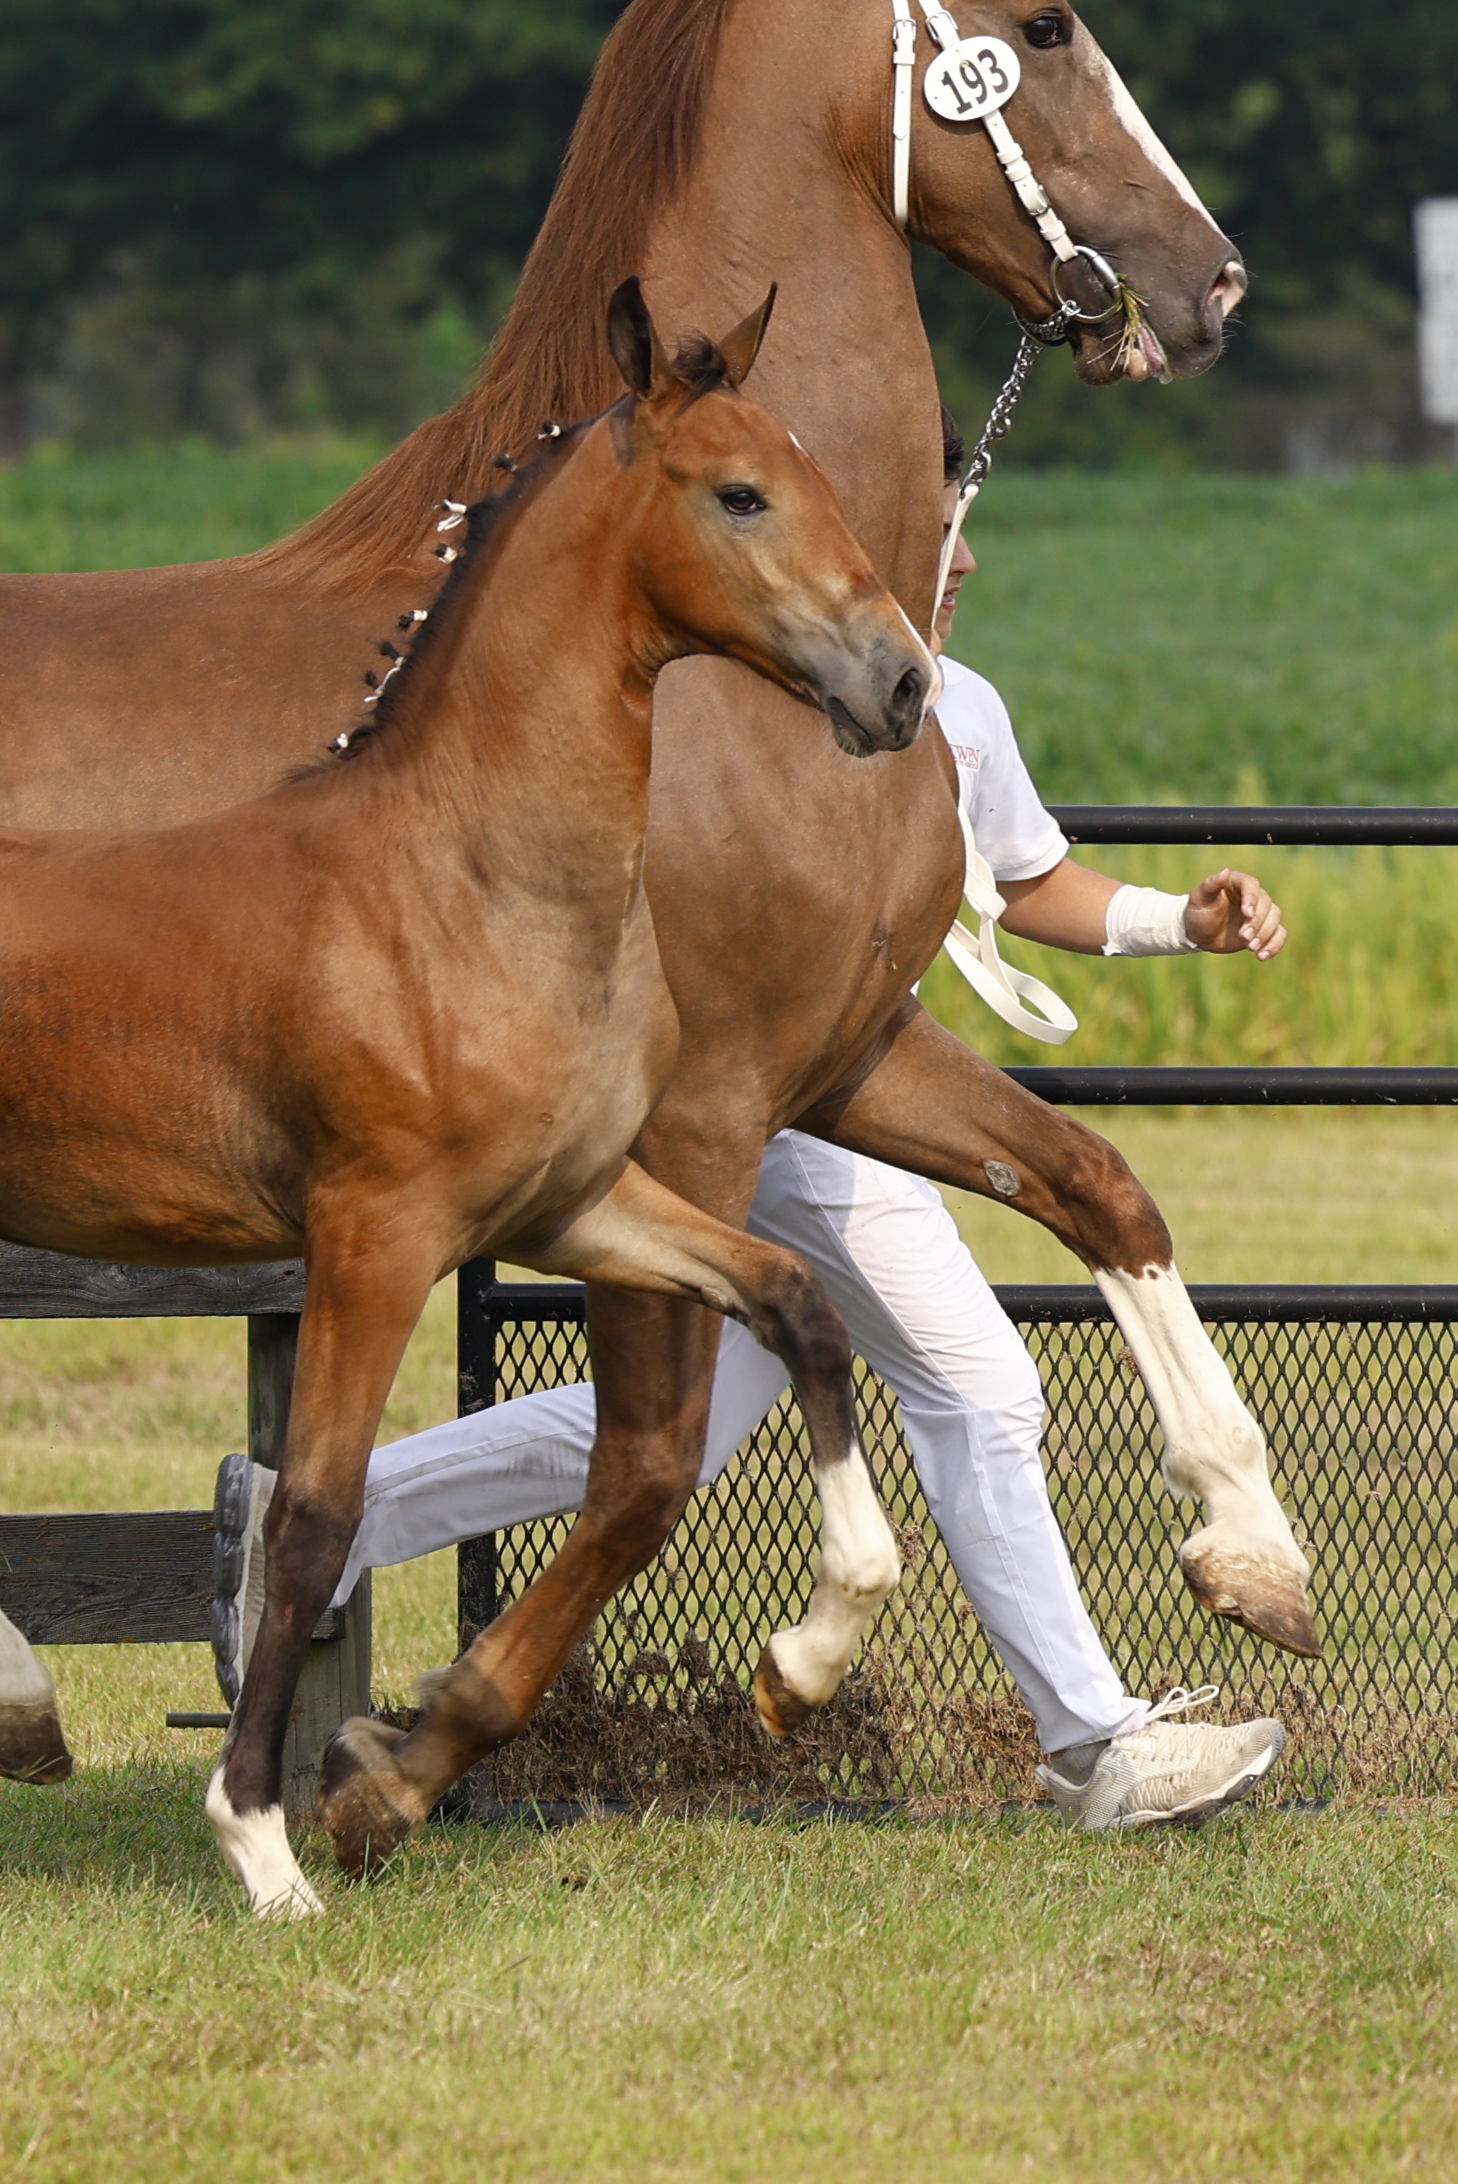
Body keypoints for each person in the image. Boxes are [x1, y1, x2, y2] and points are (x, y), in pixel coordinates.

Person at [220, 441, 1296, 1833]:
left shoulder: (957, 705)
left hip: (849, 1079)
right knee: (978, 1389)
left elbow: (1027, 879)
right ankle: (1093, 1744)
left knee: (683, 1421)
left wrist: (1175, 919)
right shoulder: (762, 700)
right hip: (794, 1101)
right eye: (937, 533)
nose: (959, 560)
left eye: (966, 539)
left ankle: (313, 1509)